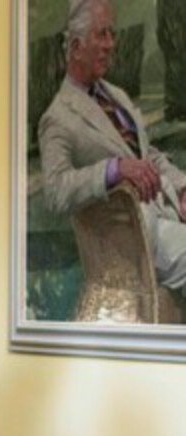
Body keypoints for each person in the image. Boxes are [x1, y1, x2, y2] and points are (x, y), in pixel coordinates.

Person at [38, 0, 186, 297]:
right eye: (101, 35)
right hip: (134, 239)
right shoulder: (58, 118)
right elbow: (55, 191)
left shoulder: (116, 95)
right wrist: (112, 170)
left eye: (112, 34)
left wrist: (183, 188)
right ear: (76, 47)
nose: (110, 44)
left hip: (169, 211)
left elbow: (147, 153)